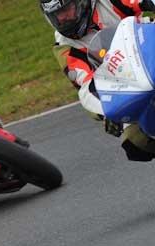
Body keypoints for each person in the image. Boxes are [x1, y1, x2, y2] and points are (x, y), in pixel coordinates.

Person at [39, 0, 155, 161]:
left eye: (67, 10)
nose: (63, 18)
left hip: (150, 47)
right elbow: (86, 88)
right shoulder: (65, 47)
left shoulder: (108, 2)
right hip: (128, 85)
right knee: (135, 143)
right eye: (57, 15)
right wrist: (107, 112)